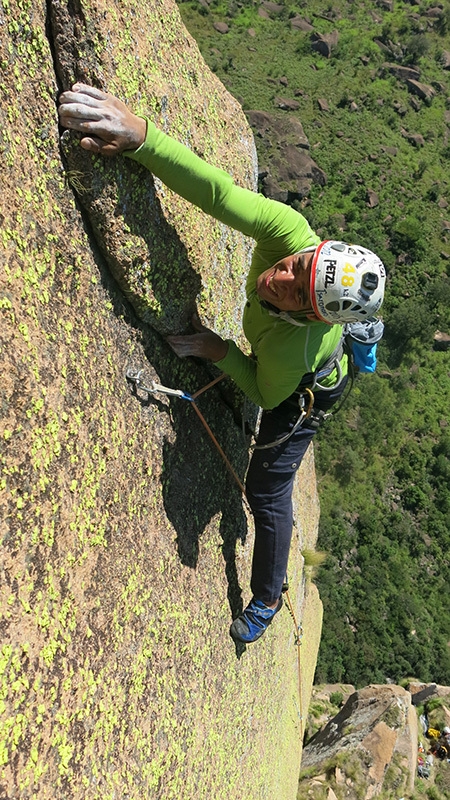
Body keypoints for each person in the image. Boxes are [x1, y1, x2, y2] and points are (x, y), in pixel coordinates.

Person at [58, 84, 386, 644]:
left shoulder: (293, 351)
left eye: (294, 290)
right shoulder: (289, 233)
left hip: (309, 389)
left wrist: (220, 352)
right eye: (297, 265)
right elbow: (219, 193)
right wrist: (142, 138)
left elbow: (263, 395)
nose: (278, 277)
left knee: (265, 490)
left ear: (312, 316)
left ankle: (267, 597)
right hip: (311, 349)